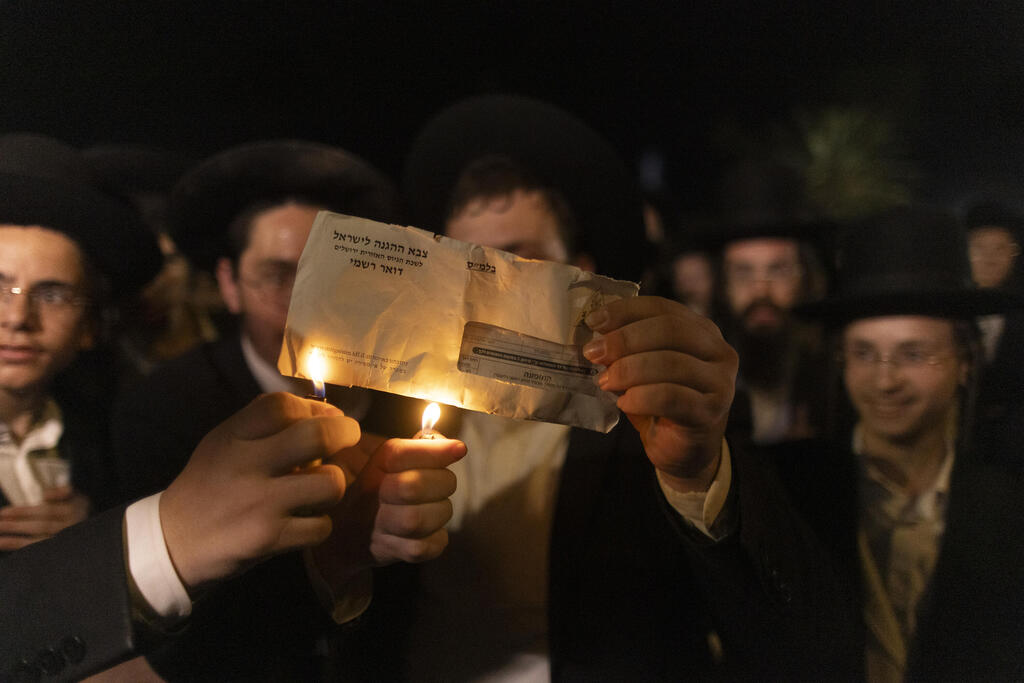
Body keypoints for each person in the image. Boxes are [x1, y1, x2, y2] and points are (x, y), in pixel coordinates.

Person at [333, 95, 842, 682]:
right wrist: (347, 565)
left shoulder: (655, 417)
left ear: (578, 269)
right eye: (467, 263)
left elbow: (799, 639)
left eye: (516, 259)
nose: (486, 288)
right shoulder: (388, 411)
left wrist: (699, 477)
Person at [109, 140, 463, 681]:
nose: (311, 307)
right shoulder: (163, 411)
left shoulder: (412, 403)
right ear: (229, 284)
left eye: (337, 278)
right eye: (279, 277)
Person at [690, 206, 1024, 681]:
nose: (885, 380)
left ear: (964, 361)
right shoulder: (786, 489)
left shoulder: (1006, 509)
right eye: (864, 353)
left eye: (913, 353)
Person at [0, 134, 163, 550]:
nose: (19, 318)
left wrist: (99, 534)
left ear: (89, 324)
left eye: (52, 294)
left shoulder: (115, 440)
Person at [709, 159, 832, 444]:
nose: (761, 291)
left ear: (805, 278)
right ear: (724, 285)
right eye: (743, 272)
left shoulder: (835, 381)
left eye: (777, 270)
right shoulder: (696, 377)